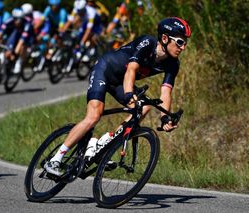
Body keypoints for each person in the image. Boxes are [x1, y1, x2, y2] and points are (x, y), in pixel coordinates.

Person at [44, 17, 192, 176]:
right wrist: (129, 94)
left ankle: (102, 145)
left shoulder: (173, 64)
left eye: (185, 43)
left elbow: (166, 92)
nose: (183, 47)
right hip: (104, 70)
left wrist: (165, 118)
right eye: (179, 42)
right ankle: (56, 159)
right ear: (164, 38)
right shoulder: (147, 43)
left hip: (119, 83)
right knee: (94, 116)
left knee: (145, 107)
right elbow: (131, 70)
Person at [0, 8, 33, 73]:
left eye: (20, 20)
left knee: (21, 47)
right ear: (13, 18)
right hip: (16, 32)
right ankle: (6, 65)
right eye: (16, 19)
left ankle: (19, 62)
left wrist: (15, 52)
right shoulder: (9, 20)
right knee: (8, 50)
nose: (18, 21)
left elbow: (22, 40)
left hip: (27, 35)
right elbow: (0, 32)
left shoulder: (27, 24)